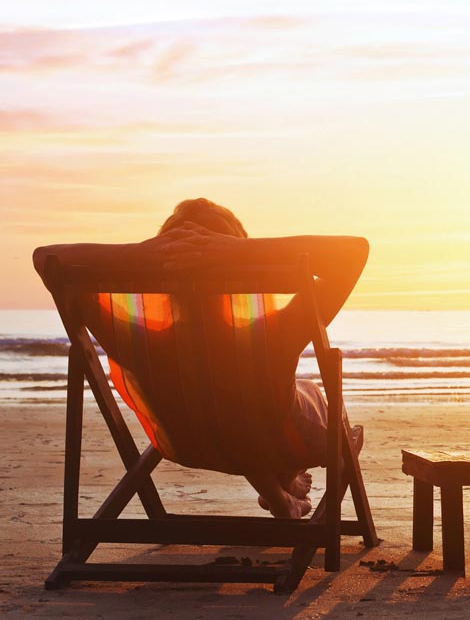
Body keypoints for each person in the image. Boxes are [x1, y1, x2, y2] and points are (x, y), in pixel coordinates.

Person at [33, 197, 369, 519]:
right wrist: (236, 251)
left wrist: (140, 254)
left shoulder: (136, 341)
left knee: (240, 412)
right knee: (302, 394)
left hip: (188, 447)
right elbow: (355, 252)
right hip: (278, 445)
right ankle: (285, 480)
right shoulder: (272, 335)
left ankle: (282, 492)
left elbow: (45, 258)